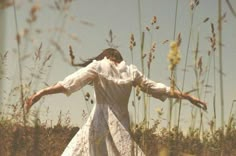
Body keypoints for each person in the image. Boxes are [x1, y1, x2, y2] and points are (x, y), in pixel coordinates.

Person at [25, 48, 207, 156]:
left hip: (98, 123)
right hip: (121, 124)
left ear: (105, 57)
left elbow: (70, 83)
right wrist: (187, 96)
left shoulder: (98, 66)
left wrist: (42, 92)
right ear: (119, 59)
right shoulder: (131, 72)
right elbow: (157, 88)